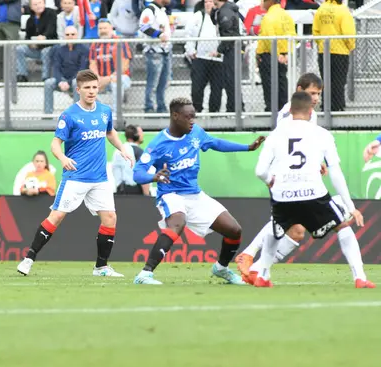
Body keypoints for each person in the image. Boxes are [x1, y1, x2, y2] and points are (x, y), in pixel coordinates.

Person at [132, 97, 265, 285]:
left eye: (194, 117)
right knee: (177, 223)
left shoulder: (195, 133)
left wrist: (247, 148)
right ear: (175, 116)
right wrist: (153, 177)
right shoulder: (159, 143)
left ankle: (221, 268)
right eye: (188, 117)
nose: (192, 121)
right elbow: (137, 174)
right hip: (171, 194)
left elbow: (215, 143)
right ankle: (145, 274)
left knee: (234, 230)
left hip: (195, 194)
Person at [16, 69, 134, 277]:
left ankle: (101, 267)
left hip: (99, 178)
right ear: (78, 90)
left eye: (95, 87)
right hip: (76, 176)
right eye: (87, 88)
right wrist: (63, 158)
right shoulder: (69, 115)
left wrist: (122, 148)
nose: (91, 91)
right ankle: (28, 258)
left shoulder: (105, 111)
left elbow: (110, 132)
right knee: (57, 216)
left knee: (110, 217)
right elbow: (55, 144)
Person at [250, 91, 375, 288]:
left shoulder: (275, 134)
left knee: (276, 229)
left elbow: (260, 171)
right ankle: (359, 277)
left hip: (283, 195)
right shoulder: (322, 134)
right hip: (313, 194)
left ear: (290, 110)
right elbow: (335, 173)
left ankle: (263, 275)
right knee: (342, 226)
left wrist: (269, 180)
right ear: (311, 111)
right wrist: (351, 206)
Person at [235, 73, 323, 278]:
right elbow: (282, 145)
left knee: (297, 230)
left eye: (318, 93)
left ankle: (256, 268)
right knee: (285, 220)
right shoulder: (288, 114)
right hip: (282, 173)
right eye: (312, 93)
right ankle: (249, 255)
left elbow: (305, 143)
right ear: (299, 91)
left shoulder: (312, 114)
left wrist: (316, 161)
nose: (316, 98)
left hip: (297, 173)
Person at [313, 0, 355, 112]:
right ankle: (338, 107)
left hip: (324, 51)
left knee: (326, 81)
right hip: (340, 52)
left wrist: (321, 44)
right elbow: (348, 33)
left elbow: (315, 32)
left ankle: (326, 107)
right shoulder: (343, 11)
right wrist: (350, 46)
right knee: (339, 82)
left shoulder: (320, 10)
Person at [256, 0, 295, 112]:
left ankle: (271, 110)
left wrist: (276, 54)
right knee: (282, 83)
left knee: (269, 85)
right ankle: (283, 110)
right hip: (283, 55)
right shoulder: (286, 15)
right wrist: (286, 53)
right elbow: (292, 35)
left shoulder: (268, 17)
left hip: (269, 55)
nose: (262, 3)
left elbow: (270, 38)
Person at [139, 0, 171, 114]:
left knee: (163, 82)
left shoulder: (162, 11)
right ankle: (149, 108)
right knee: (153, 82)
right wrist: (159, 34)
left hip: (165, 50)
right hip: (154, 51)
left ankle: (161, 107)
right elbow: (143, 27)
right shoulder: (150, 10)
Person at [112, 124, 150, 195]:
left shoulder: (118, 150)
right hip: (135, 191)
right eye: (141, 132)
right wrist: (147, 195)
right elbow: (142, 174)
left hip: (120, 191)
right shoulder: (139, 151)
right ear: (135, 135)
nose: (143, 135)